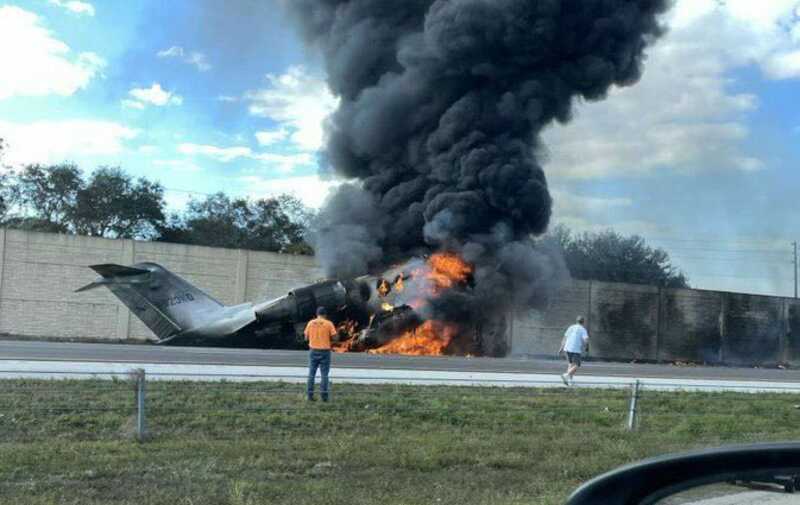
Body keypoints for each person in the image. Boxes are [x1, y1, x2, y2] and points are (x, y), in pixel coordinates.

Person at [305, 306, 337, 401]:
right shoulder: (328, 324)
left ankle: (310, 396)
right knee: (324, 375)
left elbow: (306, 338)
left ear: (317, 314)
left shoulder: (310, 323)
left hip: (313, 350)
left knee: (311, 374)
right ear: (325, 315)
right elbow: (335, 337)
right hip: (325, 352)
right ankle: (324, 397)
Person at [559, 316, 589, 386]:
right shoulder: (583, 329)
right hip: (575, 349)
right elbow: (586, 340)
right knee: (577, 364)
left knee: (571, 364)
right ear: (583, 322)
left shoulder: (571, 327)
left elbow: (565, 338)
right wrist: (587, 347)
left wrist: (561, 348)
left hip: (567, 348)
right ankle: (565, 375)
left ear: (576, 321)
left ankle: (570, 381)